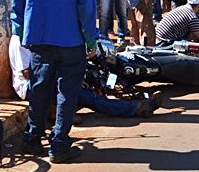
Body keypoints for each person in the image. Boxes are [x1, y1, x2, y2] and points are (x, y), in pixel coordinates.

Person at [12, 0, 98, 164]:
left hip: (38, 36)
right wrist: (91, 38)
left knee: (39, 87)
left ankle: (32, 138)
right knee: (66, 91)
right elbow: (86, 3)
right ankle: (59, 144)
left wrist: (21, 30)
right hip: (70, 39)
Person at [9, 34, 159, 117]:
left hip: (45, 81)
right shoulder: (19, 40)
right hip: (29, 87)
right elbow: (28, 74)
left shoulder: (36, 35)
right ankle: (134, 109)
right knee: (88, 96)